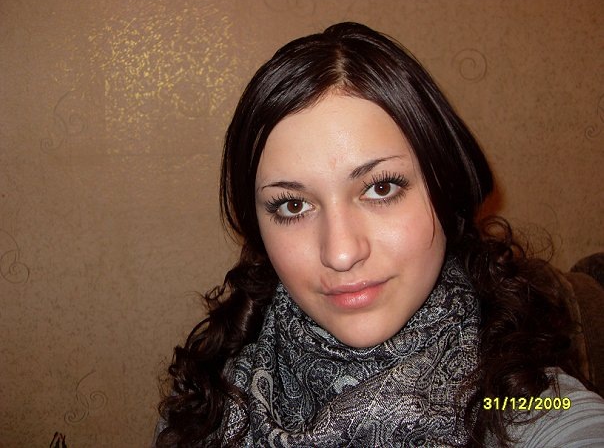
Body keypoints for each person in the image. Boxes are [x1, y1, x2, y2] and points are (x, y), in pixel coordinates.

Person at [155, 22, 604, 447]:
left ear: (446, 188)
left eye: (381, 188)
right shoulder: (205, 401)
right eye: (293, 205)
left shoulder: (527, 405)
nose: (342, 253)